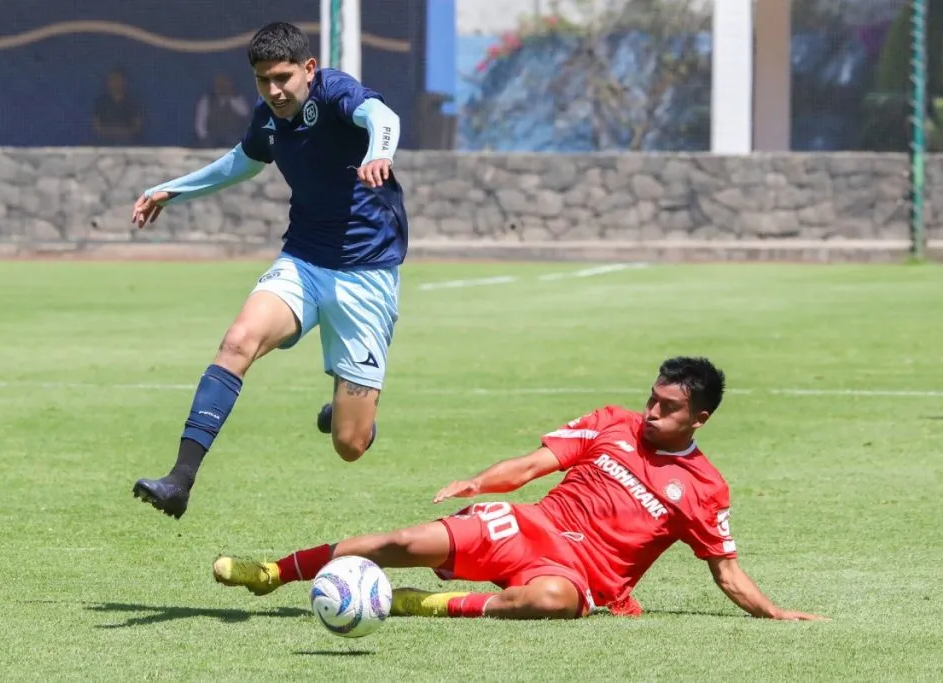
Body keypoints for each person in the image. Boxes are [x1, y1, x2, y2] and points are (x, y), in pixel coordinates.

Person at [212, 357, 827, 621]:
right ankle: (274, 571)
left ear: (699, 419)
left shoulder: (703, 487)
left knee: (552, 602)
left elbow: (726, 570)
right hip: (530, 526)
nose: (650, 412)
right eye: (651, 398)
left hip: (582, 575)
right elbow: (534, 465)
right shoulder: (613, 421)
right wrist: (480, 481)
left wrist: (774, 610)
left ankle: (416, 604)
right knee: (401, 539)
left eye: (667, 408)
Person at [130, 21, 408, 519]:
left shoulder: (337, 91)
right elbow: (242, 161)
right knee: (238, 342)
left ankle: (350, 415)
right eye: (263, 81)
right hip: (303, 259)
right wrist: (174, 189)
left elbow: (382, 117)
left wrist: (379, 152)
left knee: (349, 444)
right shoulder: (269, 115)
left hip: (366, 271)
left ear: (308, 69)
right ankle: (180, 481)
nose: (275, 91)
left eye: (283, 77)